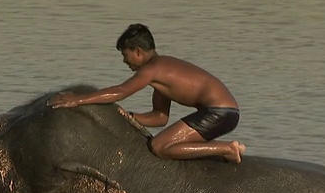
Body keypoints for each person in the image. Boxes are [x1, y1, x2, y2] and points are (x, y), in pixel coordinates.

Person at [47, 23, 246, 163]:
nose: (125, 61)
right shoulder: (162, 75)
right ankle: (227, 150)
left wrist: (78, 100)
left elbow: (121, 91)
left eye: (125, 55)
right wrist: (127, 117)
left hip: (219, 112)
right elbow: (159, 117)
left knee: (159, 146)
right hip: (224, 112)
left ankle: (227, 149)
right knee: (165, 143)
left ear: (138, 51)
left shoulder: (152, 69)